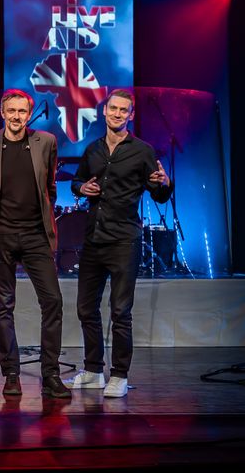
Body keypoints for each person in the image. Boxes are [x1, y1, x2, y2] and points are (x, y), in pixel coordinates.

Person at [66, 89, 172, 398]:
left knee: (121, 311)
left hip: (124, 240)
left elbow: (159, 193)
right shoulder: (93, 149)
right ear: (104, 111)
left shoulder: (142, 150)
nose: (117, 114)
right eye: (113, 108)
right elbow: (77, 181)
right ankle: (93, 370)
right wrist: (81, 188)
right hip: (94, 239)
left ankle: (120, 375)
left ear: (131, 115)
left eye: (123, 110)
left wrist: (165, 183)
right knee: (86, 308)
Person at [0, 90, 70, 399]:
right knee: (4, 305)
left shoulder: (46, 141)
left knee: (52, 301)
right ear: (2, 113)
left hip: (35, 235)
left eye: (22, 111)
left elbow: (50, 187)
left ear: (30, 115)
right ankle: (11, 374)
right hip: (0, 235)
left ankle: (51, 374)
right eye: (11, 111)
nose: (16, 116)